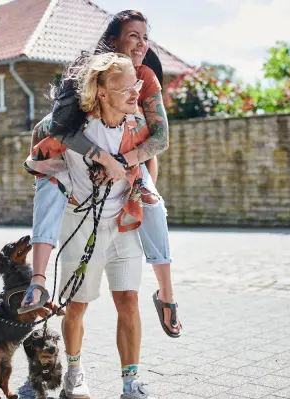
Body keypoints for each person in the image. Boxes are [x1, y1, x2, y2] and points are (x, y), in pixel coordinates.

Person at [20, 10, 182, 338]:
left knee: (153, 204)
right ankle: (38, 282)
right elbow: (56, 127)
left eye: (145, 37)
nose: (141, 43)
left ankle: (166, 295)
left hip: (129, 155)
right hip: (73, 154)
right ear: (112, 40)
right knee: (51, 186)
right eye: (133, 35)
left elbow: (161, 138)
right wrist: (102, 158)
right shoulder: (85, 76)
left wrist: (122, 162)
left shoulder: (146, 77)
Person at [24, 52, 162, 399]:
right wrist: (99, 157)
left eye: (136, 83)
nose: (136, 91)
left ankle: (131, 388)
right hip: (80, 223)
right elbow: (42, 138)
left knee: (129, 301)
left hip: (122, 224)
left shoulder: (138, 126)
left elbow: (156, 151)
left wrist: (131, 173)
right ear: (100, 91)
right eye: (125, 86)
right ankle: (73, 369)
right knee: (77, 307)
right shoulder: (75, 129)